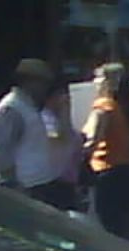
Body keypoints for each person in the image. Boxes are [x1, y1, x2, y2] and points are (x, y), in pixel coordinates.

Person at [0, 58, 62, 206]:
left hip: (37, 186)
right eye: (43, 82)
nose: (45, 88)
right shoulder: (11, 109)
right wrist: (12, 186)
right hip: (23, 189)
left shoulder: (28, 106)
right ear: (29, 82)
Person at [84, 62, 129, 245]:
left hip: (105, 170)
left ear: (107, 82)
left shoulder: (104, 106)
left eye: (97, 78)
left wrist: (78, 155)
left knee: (106, 227)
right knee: (123, 227)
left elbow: (94, 138)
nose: (94, 82)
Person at [41, 77, 85, 211]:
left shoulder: (59, 119)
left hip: (68, 184)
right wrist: (65, 112)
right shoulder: (44, 118)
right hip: (52, 183)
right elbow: (60, 138)